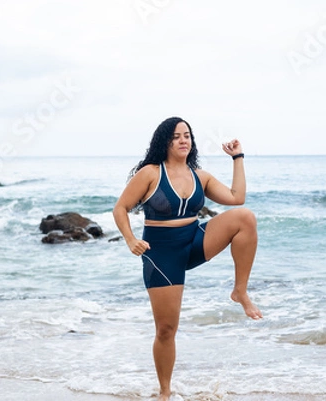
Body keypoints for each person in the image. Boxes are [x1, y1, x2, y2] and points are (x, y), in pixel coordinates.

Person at [112, 116, 262, 401]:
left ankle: (240, 290)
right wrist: (131, 239)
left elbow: (236, 197)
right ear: (165, 141)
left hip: (194, 241)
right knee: (167, 329)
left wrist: (237, 157)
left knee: (245, 218)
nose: (183, 140)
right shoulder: (150, 173)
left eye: (187, 136)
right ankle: (165, 392)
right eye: (177, 136)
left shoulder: (199, 175)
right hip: (161, 255)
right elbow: (120, 208)